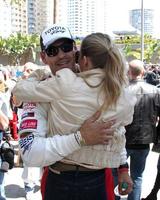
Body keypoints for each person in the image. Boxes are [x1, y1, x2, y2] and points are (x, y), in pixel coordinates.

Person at [12, 25, 135, 200]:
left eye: (66, 47)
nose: (62, 54)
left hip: (101, 177)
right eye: (53, 50)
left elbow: (117, 129)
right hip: (60, 180)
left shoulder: (109, 85)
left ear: (76, 51)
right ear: (43, 57)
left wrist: (123, 168)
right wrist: (79, 138)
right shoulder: (40, 91)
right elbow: (31, 153)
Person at [113, 59, 160, 200]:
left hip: (124, 140)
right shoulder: (155, 91)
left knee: (117, 175)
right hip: (144, 141)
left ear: (128, 72)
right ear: (143, 72)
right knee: (137, 176)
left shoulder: (123, 90)